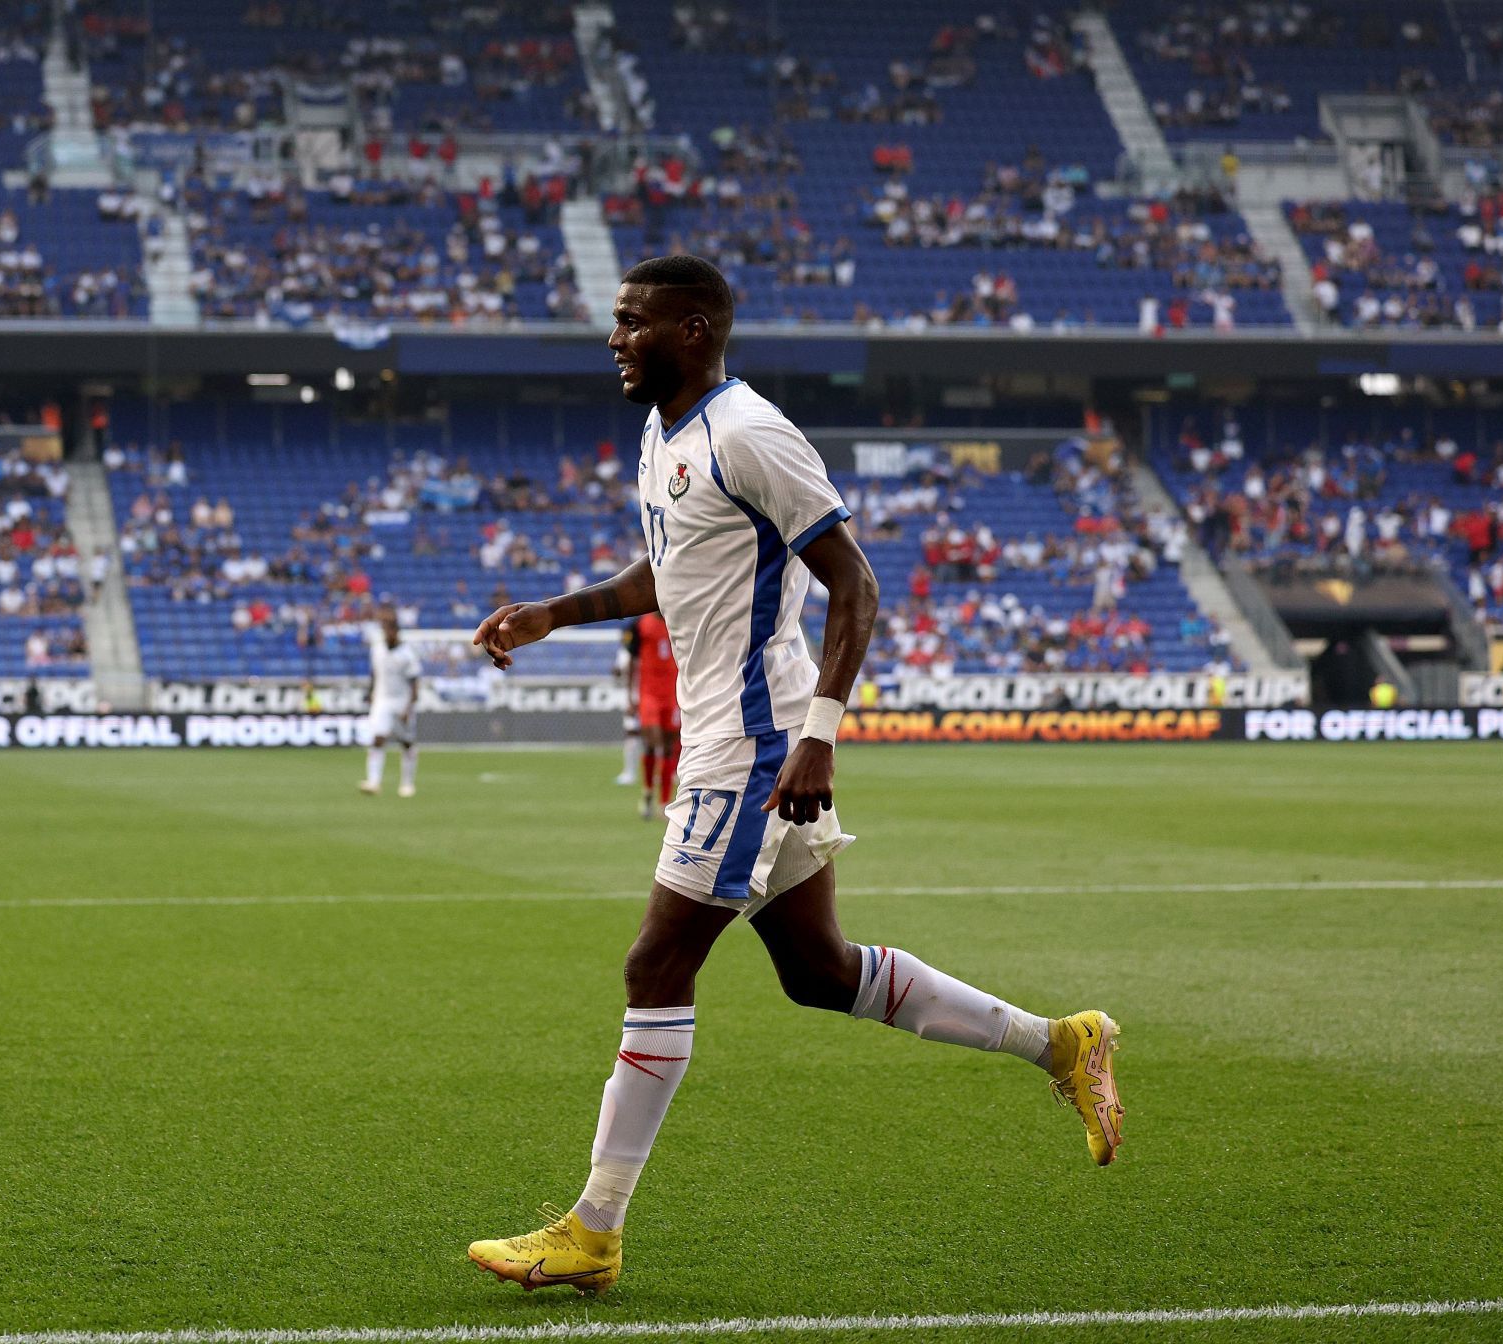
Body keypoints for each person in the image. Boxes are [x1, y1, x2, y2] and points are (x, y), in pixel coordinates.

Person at [466, 256, 1124, 1296]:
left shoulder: (752, 432)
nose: (614, 337)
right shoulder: (666, 435)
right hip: (726, 736)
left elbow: (855, 582)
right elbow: (672, 571)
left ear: (692, 329)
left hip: (757, 746)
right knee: (820, 974)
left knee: (654, 968)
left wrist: (820, 734)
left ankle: (593, 1229)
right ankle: (1062, 1044)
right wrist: (558, 611)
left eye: (632, 322)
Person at [357, 610, 421, 798]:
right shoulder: (377, 649)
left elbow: (415, 683)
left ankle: (407, 784)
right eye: (385, 630)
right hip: (382, 700)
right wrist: (370, 693)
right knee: (378, 738)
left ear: (396, 632)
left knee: (406, 743)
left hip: (402, 702)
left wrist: (409, 708)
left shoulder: (407, 654)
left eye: (390, 630)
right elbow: (374, 673)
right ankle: (373, 782)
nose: (387, 634)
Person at [626, 611, 680, 819]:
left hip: (672, 694)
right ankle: (648, 791)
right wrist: (630, 694)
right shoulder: (641, 624)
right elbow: (632, 660)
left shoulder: (679, 618)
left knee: (668, 748)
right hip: (648, 694)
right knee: (651, 742)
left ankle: (664, 802)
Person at [612, 638, 642, 787]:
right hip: (634, 696)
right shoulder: (624, 652)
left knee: (657, 737)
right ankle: (630, 772)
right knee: (632, 733)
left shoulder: (639, 649)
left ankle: (663, 772)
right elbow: (618, 671)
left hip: (647, 695)